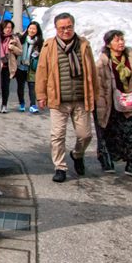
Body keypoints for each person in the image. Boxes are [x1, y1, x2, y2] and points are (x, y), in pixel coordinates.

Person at [35, 12, 97, 182]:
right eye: (62, 28)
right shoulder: (49, 46)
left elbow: (92, 71)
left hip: (80, 98)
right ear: (56, 29)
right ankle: (60, 167)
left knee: (85, 135)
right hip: (58, 99)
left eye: (69, 27)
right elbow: (42, 72)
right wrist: (41, 95)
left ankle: (77, 154)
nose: (66, 31)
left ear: (73, 26)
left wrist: (95, 95)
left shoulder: (83, 45)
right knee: (58, 135)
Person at [94, 29, 132, 178]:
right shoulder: (103, 62)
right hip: (111, 104)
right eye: (117, 40)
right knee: (111, 134)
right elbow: (97, 84)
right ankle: (106, 158)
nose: (121, 43)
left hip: (129, 101)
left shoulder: (130, 59)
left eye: (122, 39)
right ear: (109, 44)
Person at [0, 19, 23, 113]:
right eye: (6, 27)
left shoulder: (14, 38)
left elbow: (20, 51)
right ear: (2, 28)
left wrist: (13, 48)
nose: (8, 29)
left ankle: (4, 105)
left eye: (10, 27)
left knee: (5, 86)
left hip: (9, 65)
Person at [16, 21, 43, 113]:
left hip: (32, 67)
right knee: (21, 86)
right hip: (20, 65)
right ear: (27, 29)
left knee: (32, 87)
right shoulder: (21, 38)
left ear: (37, 30)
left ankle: (33, 105)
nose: (31, 30)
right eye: (30, 28)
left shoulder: (40, 41)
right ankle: (22, 103)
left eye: (34, 29)